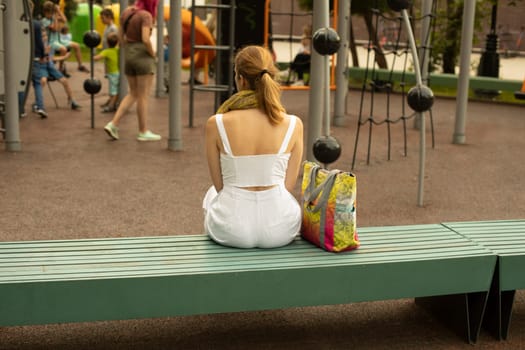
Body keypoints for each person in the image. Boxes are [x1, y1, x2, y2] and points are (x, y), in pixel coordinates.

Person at [202, 45, 304, 249]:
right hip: (281, 226)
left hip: (231, 228)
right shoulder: (293, 124)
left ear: (240, 79)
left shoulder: (217, 123)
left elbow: (221, 185)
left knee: (211, 194)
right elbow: (288, 186)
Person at [104, 0, 161, 142]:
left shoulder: (127, 13)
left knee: (133, 93)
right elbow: (146, 39)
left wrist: (129, 48)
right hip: (143, 57)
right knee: (143, 96)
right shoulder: (146, 16)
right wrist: (153, 54)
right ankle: (143, 131)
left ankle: (113, 123)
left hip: (129, 55)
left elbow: (120, 36)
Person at [41, 1, 89, 74]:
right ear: (45, 12)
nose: (50, 15)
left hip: (59, 40)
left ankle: (80, 65)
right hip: (51, 42)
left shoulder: (54, 17)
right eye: (49, 13)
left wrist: (58, 11)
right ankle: (60, 68)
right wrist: (56, 16)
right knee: (63, 49)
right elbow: (55, 29)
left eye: (51, 13)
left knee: (76, 45)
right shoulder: (44, 21)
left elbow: (64, 20)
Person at [39, 29, 81, 111]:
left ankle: (72, 100)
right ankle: (38, 102)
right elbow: (46, 59)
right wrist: (64, 57)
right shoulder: (38, 46)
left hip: (50, 66)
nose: (44, 38)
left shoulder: (49, 45)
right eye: (42, 36)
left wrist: (63, 57)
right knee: (43, 81)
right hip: (41, 67)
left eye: (45, 36)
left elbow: (52, 59)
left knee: (64, 81)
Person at [94, 32, 120, 113]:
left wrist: (93, 54)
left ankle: (111, 106)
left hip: (113, 74)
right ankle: (111, 103)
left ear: (107, 43)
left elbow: (97, 58)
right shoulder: (117, 50)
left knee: (114, 91)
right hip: (116, 73)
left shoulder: (107, 51)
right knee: (113, 90)